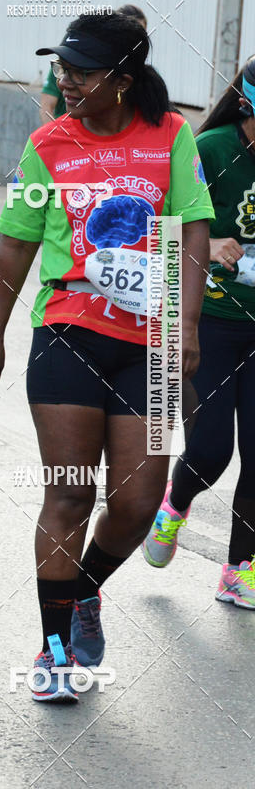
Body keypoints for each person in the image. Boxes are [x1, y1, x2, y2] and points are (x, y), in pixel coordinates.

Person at [0, 11, 214, 702]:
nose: (65, 80)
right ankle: (53, 651)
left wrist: (187, 323)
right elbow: (16, 240)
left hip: (153, 340)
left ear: (123, 80)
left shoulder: (171, 134)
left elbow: (193, 225)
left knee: (137, 501)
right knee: (71, 490)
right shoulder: (48, 142)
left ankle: (82, 593)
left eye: (80, 70)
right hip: (69, 328)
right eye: (62, 68)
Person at [143, 58, 255, 607]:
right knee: (210, 451)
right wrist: (205, 246)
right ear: (249, 103)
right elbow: (160, 226)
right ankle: (175, 504)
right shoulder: (209, 148)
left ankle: (240, 570)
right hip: (209, 322)